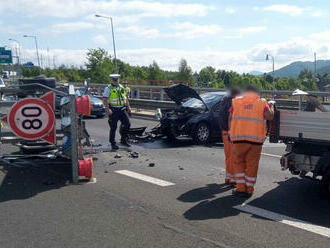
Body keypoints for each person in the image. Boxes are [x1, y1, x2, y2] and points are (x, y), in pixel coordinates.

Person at [229, 85, 274, 197]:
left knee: (238, 163)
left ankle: (240, 188)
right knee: (252, 165)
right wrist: (271, 106)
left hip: (238, 139)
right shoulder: (262, 103)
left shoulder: (236, 102)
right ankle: (249, 189)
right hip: (255, 140)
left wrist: (231, 132)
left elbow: (230, 117)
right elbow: (270, 116)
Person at [102, 74, 132, 150]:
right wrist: (107, 109)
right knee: (113, 127)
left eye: (117, 80)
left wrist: (128, 107)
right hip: (113, 110)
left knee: (127, 124)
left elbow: (125, 98)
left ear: (119, 80)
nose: (116, 81)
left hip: (122, 109)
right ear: (112, 80)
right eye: (114, 80)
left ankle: (123, 140)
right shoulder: (108, 88)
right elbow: (105, 99)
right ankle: (113, 143)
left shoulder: (122, 87)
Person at [218, 86, 240, 185]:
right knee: (234, 156)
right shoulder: (234, 102)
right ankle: (233, 179)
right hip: (231, 131)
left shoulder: (223, 100)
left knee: (228, 156)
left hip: (224, 131)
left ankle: (228, 177)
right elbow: (233, 118)